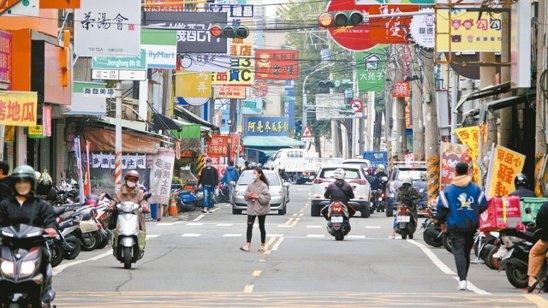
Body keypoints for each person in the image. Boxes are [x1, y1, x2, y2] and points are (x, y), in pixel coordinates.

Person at [0, 165, 57, 306]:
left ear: (32, 184)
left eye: (26, 182)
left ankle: (45, 292)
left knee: (45, 254)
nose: (22, 185)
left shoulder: (40, 205)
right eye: (19, 182)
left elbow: (50, 218)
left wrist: (50, 228)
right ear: (14, 185)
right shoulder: (5, 204)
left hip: (34, 245)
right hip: (9, 245)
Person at [436, 162, 487, 291]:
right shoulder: (475, 189)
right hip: (471, 225)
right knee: (466, 253)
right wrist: (474, 213)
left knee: (458, 252)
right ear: (468, 171)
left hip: (455, 225)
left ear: (456, 172)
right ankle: (464, 277)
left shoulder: (448, 189)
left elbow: (442, 208)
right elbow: (483, 204)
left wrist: (442, 222)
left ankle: (462, 280)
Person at [108, 170, 150, 251]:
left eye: (134, 180)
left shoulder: (140, 192)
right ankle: (115, 243)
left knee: (141, 231)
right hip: (121, 215)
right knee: (113, 229)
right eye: (130, 179)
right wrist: (111, 206)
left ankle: (141, 247)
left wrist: (144, 207)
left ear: (136, 181)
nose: (132, 181)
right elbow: (114, 201)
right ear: (126, 179)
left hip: (135, 215)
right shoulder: (118, 192)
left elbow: (143, 201)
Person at [240, 167, 271, 253]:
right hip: (251, 208)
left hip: (261, 209)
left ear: (259, 174)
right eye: (252, 173)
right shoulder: (250, 185)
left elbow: (267, 198)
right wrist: (248, 195)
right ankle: (247, 245)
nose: (253, 175)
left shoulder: (263, 185)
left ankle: (262, 245)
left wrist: (257, 196)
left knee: (261, 226)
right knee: (249, 226)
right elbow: (245, 196)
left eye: (255, 173)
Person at [527, 201, 548, 292]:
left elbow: (539, 222)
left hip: (546, 239)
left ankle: (531, 279)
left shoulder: (545, 206)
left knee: (535, 253)